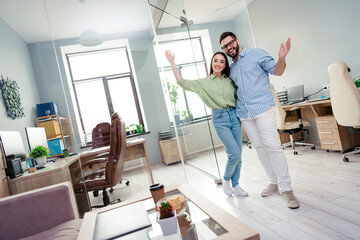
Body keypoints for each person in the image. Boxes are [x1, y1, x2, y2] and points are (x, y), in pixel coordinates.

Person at [219, 31, 300, 209]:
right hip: (245, 114)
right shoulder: (230, 69)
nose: (229, 47)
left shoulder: (257, 54)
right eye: (225, 46)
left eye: (230, 43)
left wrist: (282, 58)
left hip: (263, 109)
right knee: (260, 149)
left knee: (273, 147)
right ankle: (273, 182)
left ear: (237, 41)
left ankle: (286, 189)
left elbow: (277, 71)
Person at [165, 50, 247, 197]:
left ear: (225, 65)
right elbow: (181, 82)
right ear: (212, 63)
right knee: (233, 154)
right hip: (220, 119)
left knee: (238, 155)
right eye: (216, 60)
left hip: (234, 117)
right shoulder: (204, 83)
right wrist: (172, 63)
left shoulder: (230, 81)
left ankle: (236, 185)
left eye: (222, 62)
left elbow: (241, 95)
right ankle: (226, 179)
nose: (218, 64)